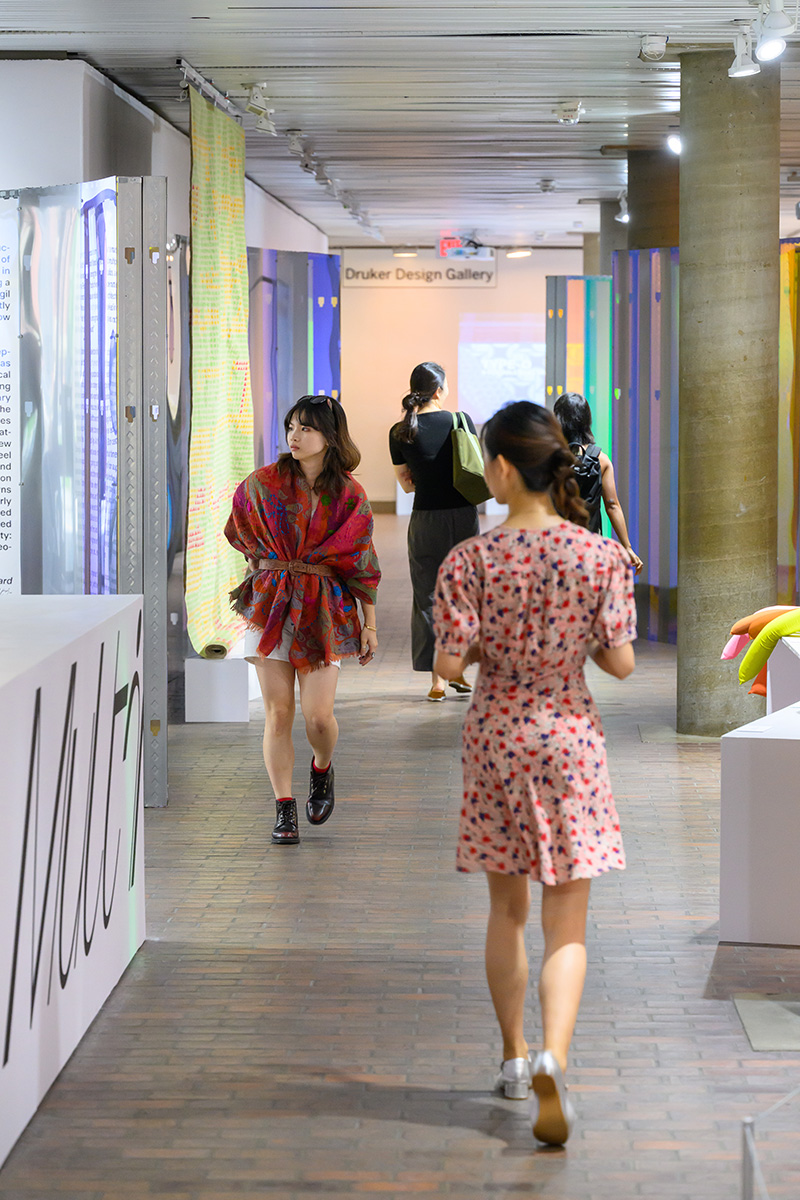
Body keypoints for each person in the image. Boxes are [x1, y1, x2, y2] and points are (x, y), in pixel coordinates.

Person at [433, 401, 636, 1147]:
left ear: (506, 468)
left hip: (496, 736)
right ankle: (555, 1052)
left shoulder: (470, 561)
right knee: (566, 925)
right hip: (569, 739)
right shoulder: (599, 557)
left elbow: (449, 664)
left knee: (507, 912)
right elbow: (619, 663)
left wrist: (496, 644)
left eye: (487, 459)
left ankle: (515, 1058)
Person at [225, 395, 381, 847]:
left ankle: (322, 768)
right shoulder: (263, 483)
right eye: (291, 426)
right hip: (271, 604)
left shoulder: (350, 495)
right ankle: (283, 808)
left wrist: (368, 624)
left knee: (317, 717)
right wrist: (264, 564)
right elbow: (238, 528)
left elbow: (363, 563)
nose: (294, 435)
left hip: (323, 608)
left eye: (306, 428)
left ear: (330, 437)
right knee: (277, 713)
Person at [389, 361, 480, 702]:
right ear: (439, 390)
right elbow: (474, 465)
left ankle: (438, 680)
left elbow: (407, 485)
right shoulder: (461, 420)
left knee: (427, 596)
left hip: (425, 519)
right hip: (462, 516)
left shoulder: (400, 431)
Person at [553, 392, 644, 574]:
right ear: (586, 420)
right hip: (590, 545)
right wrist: (627, 546)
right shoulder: (601, 460)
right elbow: (612, 505)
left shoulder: (549, 456)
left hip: (555, 543)